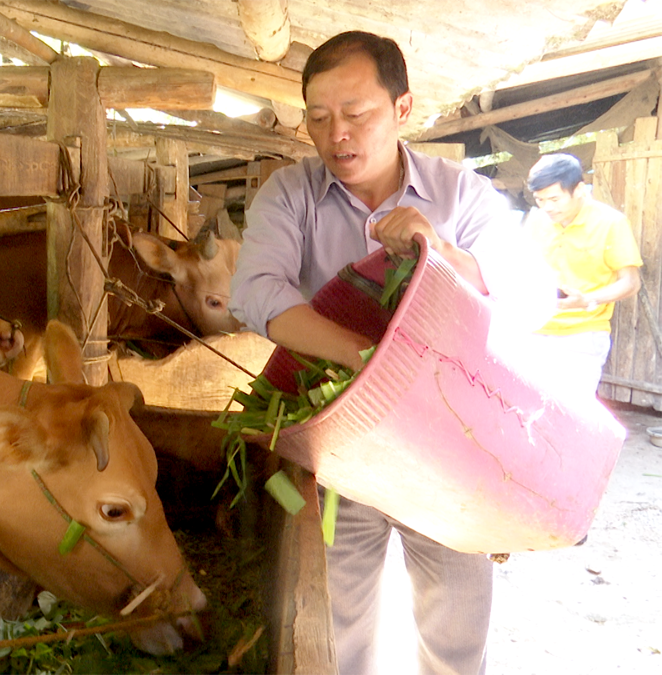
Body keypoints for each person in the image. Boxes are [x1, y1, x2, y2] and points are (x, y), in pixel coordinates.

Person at [229, 31, 553, 675]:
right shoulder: (291, 195)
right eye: (318, 119)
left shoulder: (461, 196)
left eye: (356, 114)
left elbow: (530, 294)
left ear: (403, 108)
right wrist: (368, 361)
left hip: (447, 453)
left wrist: (440, 253)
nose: (336, 135)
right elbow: (255, 292)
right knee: (336, 621)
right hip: (337, 453)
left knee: (456, 628)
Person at [523, 153, 642, 397]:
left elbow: (631, 283)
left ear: (579, 190)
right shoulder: (536, 221)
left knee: (568, 416)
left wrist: (586, 300)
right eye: (540, 199)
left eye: (555, 199)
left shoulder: (611, 223)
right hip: (532, 330)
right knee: (524, 410)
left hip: (582, 336)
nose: (547, 207)